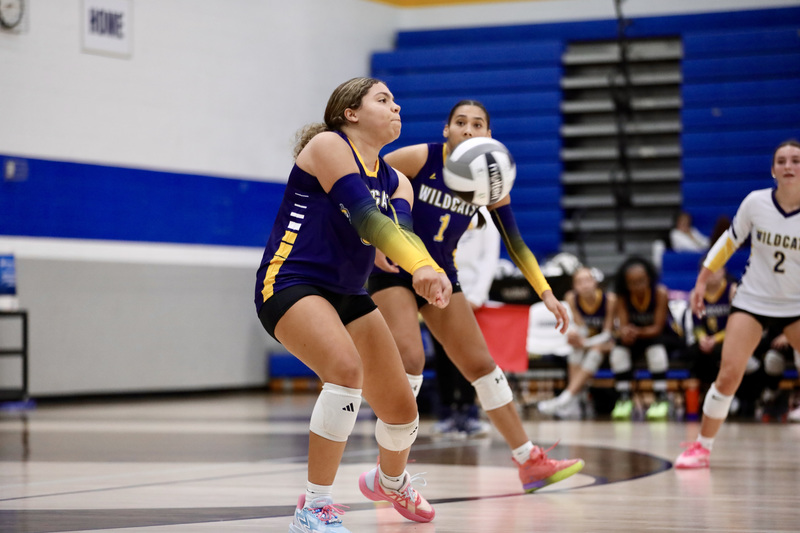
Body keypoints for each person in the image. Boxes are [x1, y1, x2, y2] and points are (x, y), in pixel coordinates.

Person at [254, 77, 452, 532]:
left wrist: (420, 265)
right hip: (290, 282)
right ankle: (314, 507)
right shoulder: (327, 146)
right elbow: (365, 216)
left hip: (349, 293)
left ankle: (390, 480)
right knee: (345, 372)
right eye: (384, 100)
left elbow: (394, 236)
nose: (396, 107)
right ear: (351, 113)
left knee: (402, 412)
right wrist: (419, 264)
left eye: (397, 101)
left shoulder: (398, 181)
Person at [369, 99, 584, 493]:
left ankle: (529, 461)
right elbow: (365, 185)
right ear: (446, 130)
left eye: (478, 124)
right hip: (395, 269)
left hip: (441, 276)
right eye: (460, 122)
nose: (469, 129)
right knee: (411, 358)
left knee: (482, 366)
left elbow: (515, 243)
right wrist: (373, 238)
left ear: (488, 135)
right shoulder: (420, 157)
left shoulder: (490, 179)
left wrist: (547, 293)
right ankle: (388, 473)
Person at [675, 139, 800, 469]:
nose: (789, 166)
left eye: (796, 160)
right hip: (753, 299)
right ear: (773, 169)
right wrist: (701, 281)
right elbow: (728, 243)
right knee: (729, 374)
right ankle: (702, 447)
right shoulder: (755, 203)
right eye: (782, 161)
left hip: (796, 303)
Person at [431, 208, 498, 437]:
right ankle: (447, 413)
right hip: (439, 293)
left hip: (471, 297)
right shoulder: (439, 205)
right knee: (442, 355)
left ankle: (470, 413)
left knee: (471, 355)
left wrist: (477, 296)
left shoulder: (483, 216)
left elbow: (490, 256)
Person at [537, 267, 615, 419]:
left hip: (607, 344)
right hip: (587, 343)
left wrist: (584, 342)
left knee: (595, 350)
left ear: (595, 282)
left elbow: (607, 334)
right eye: (579, 282)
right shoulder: (572, 298)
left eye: (587, 280)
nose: (584, 285)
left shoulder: (609, 299)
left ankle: (564, 400)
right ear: (574, 286)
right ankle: (573, 402)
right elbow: (582, 329)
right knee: (575, 349)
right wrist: (574, 335)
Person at [610, 256, 672, 421]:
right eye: (632, 282)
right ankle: (623, 398)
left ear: (649, 278)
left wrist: (634, 331)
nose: (638, 285)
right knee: (618, 351)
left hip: (658, 336)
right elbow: (623, 326)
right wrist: (626, 333)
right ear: (625, 283)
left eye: (641, 281)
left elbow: (657, 328)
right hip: (637, 338)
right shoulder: (623, 297)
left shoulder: (660, 293)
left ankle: (661, 397)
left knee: (656, 350)